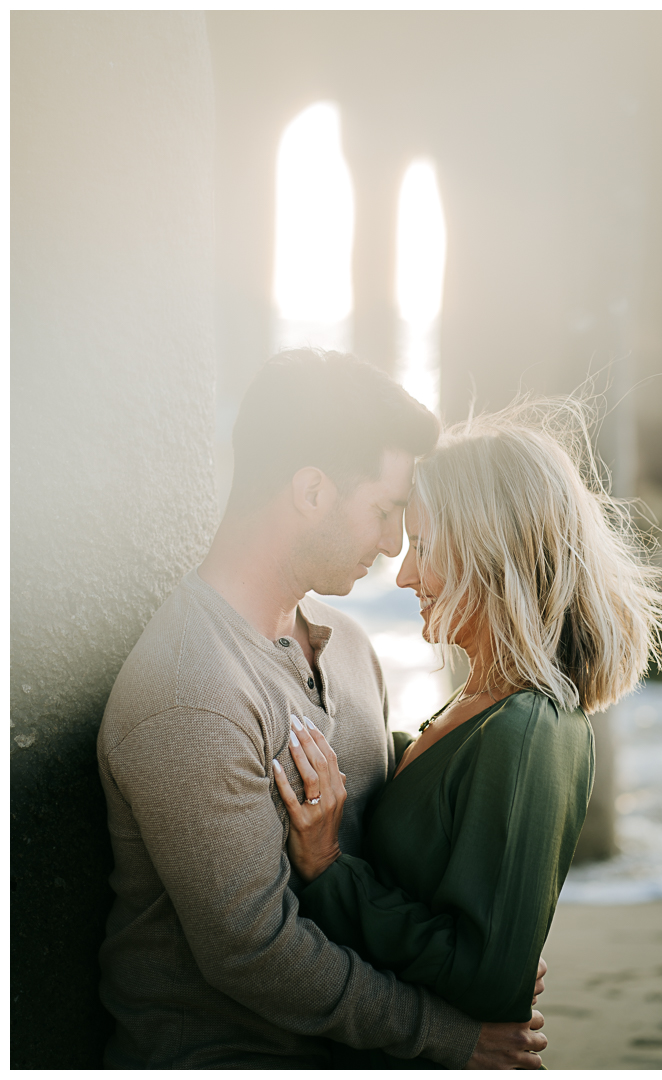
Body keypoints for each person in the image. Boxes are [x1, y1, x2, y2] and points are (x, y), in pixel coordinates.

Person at [97, 349, 549, 1070]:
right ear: (311, 491)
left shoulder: (349, 650)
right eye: (386, 510)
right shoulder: (193, 692)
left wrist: (473, 958)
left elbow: (377, 848)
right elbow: (255, 952)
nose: (396, 545)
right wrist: (446, 1033)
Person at [273, 396, 662, 1069]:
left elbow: (489, 976)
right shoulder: (483, 703)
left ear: (492, 550)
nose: (403, 575)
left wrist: (327, 871)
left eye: (424, 546)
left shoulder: (526, 730)